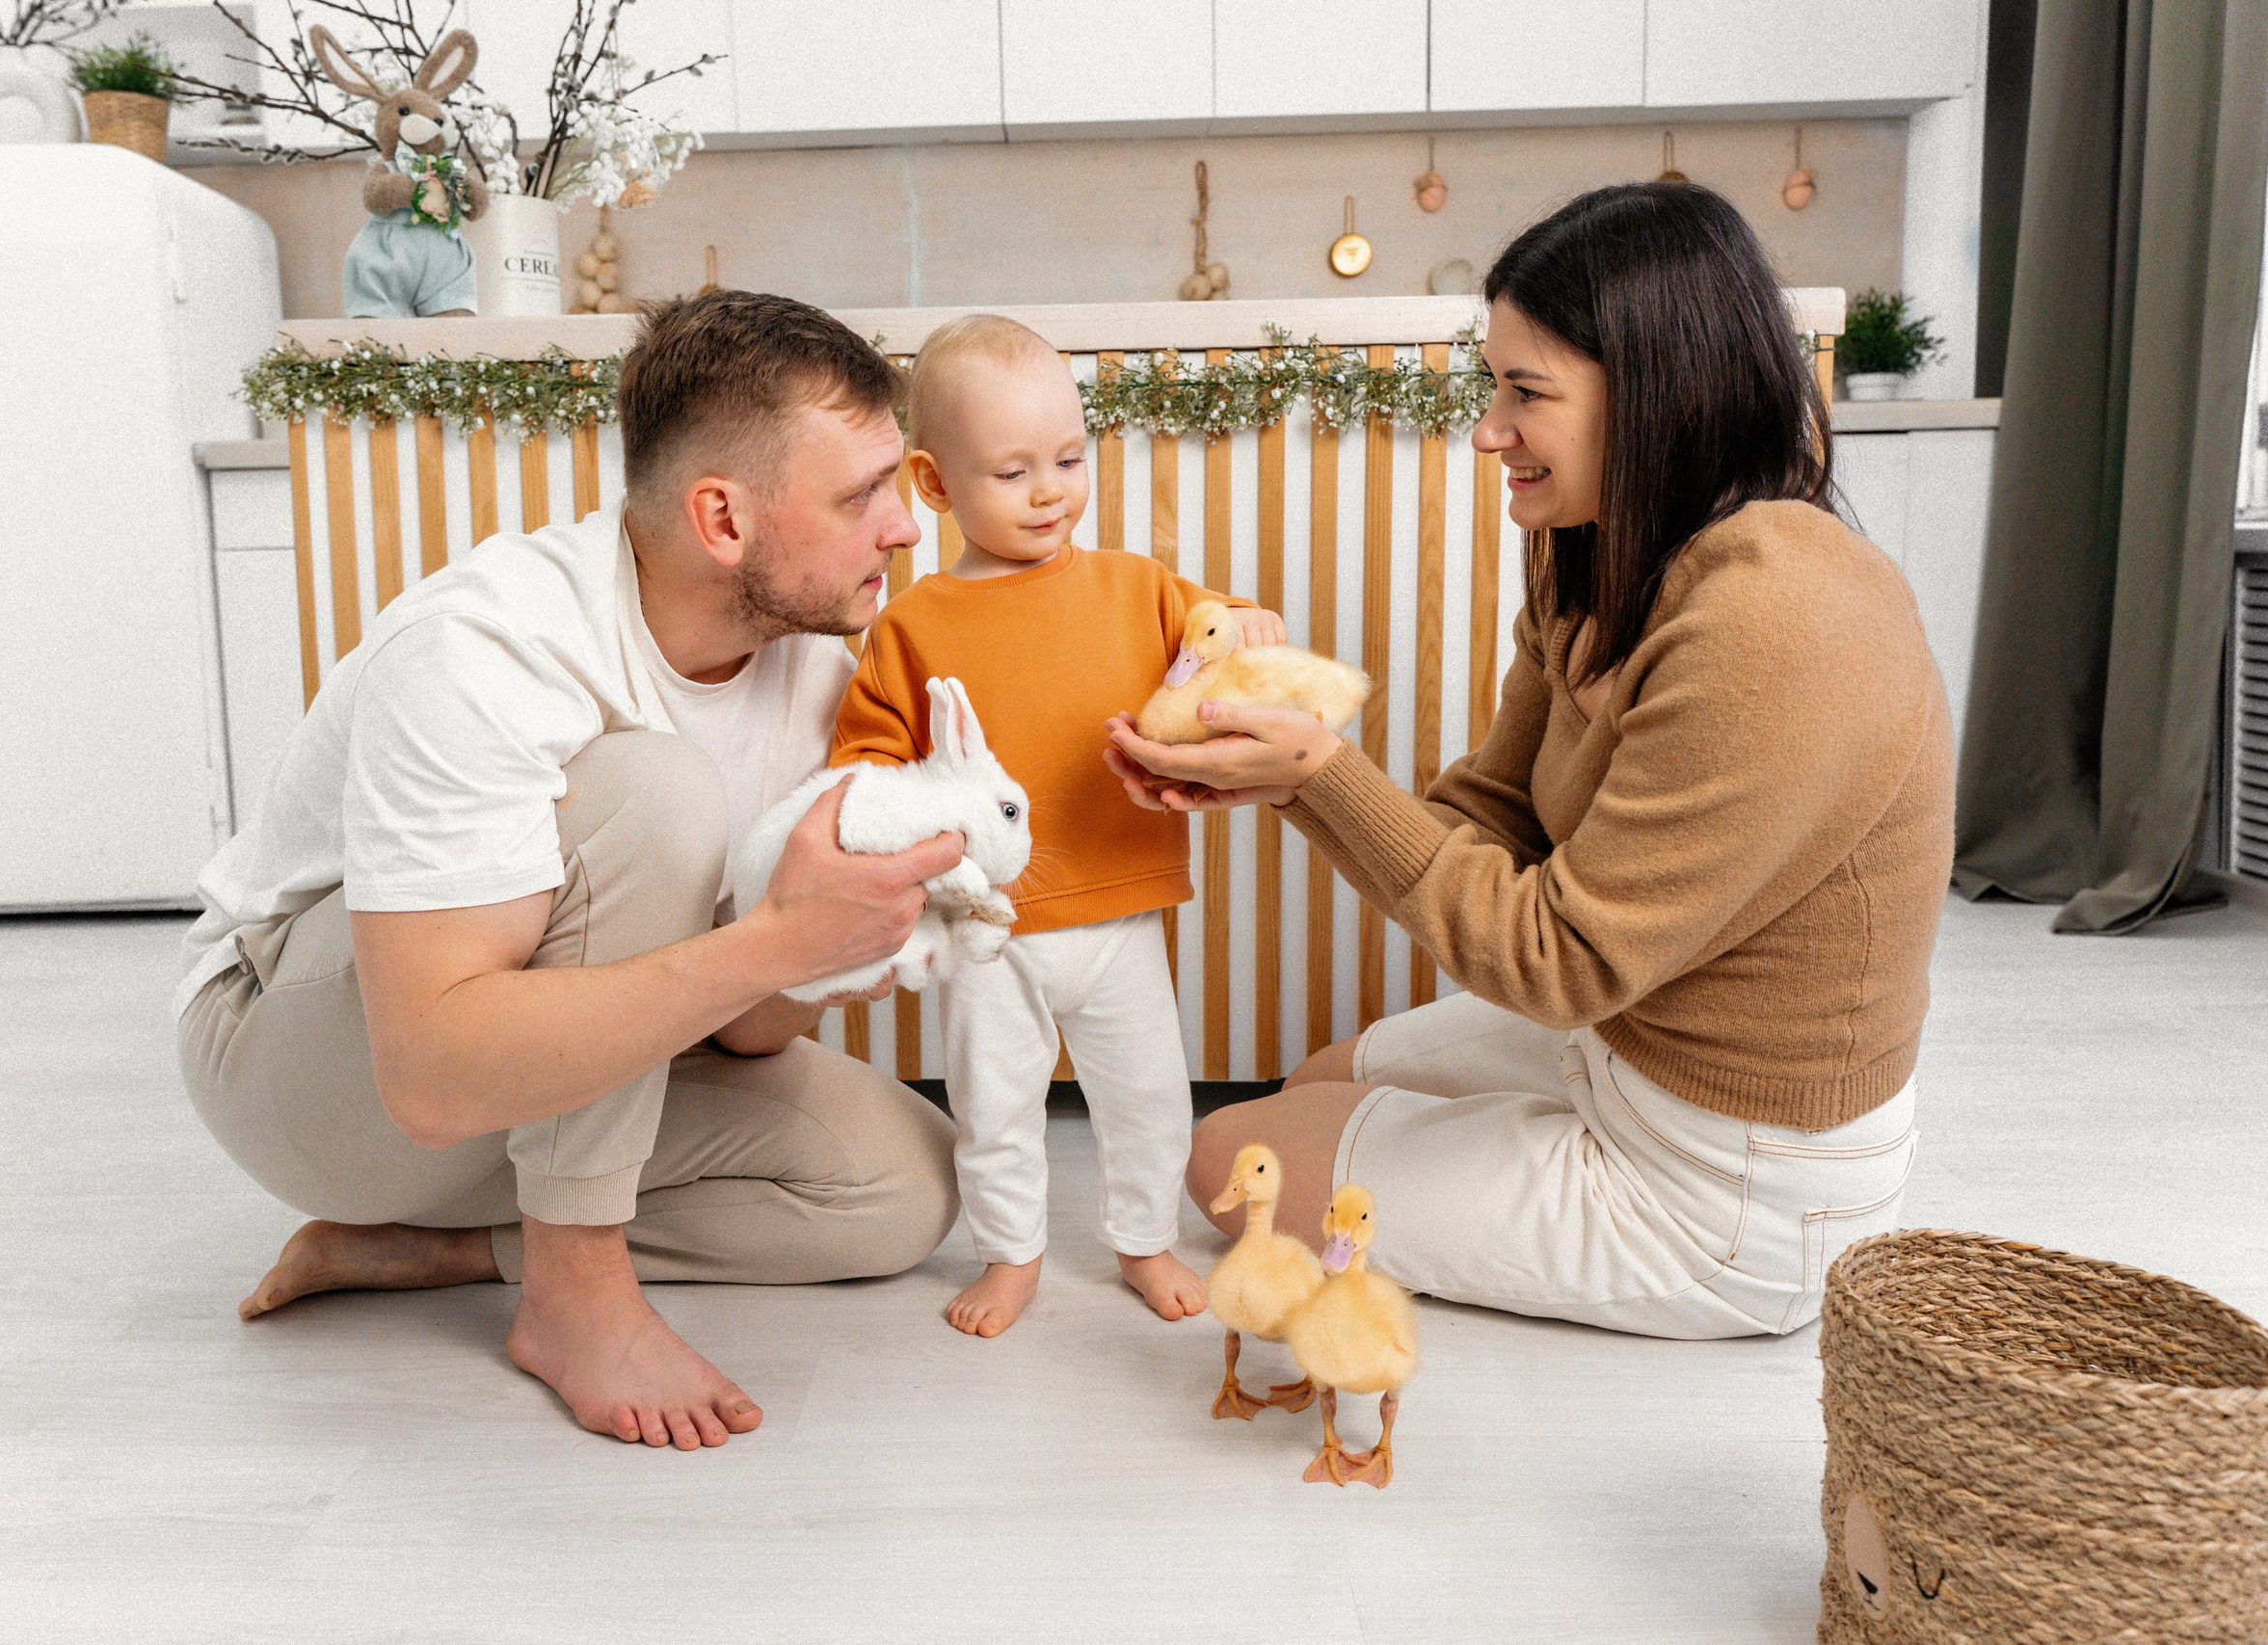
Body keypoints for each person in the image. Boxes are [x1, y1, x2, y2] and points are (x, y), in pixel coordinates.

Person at [1106, 183, 1957, 1340]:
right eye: (1491, 385)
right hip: (1625, 1043)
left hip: (1735, 1178)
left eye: (1525, 394)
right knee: (1316, 1082)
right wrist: (1270, 777)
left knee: (1225, 1156)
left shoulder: (1781, 620)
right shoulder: (1598, 550)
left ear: (1658, 393)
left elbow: (1559, 960)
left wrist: (1320, 780)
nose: (1487, 430)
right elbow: (1495, 808)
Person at [175, 291, 967, 1450]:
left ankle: (440, 1252)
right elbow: (434, 1079)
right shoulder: (485, 652)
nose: (903, 527)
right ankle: (576, 1293)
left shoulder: (818, 672)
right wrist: (778, 940)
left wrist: (839, 919)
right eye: (862, 496)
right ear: (722, 520)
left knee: (897, 1186)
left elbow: (744, 1036)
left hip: (496, 1103)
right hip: (310, 1069)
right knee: (652, 795)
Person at [834, 315, 1282, 1337]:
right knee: (993, 1110)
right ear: (936, 486)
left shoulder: (1135, 585)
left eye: (1069, 460)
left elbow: (1215, 628)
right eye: (1012, 471)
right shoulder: (913, 624)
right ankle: (1011, 1257)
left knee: (1150, 1099)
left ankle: (1141, 1240)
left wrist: (1247, 619)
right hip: (986, 924)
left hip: (1118, 915)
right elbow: (864, 759)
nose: (1050, 490)